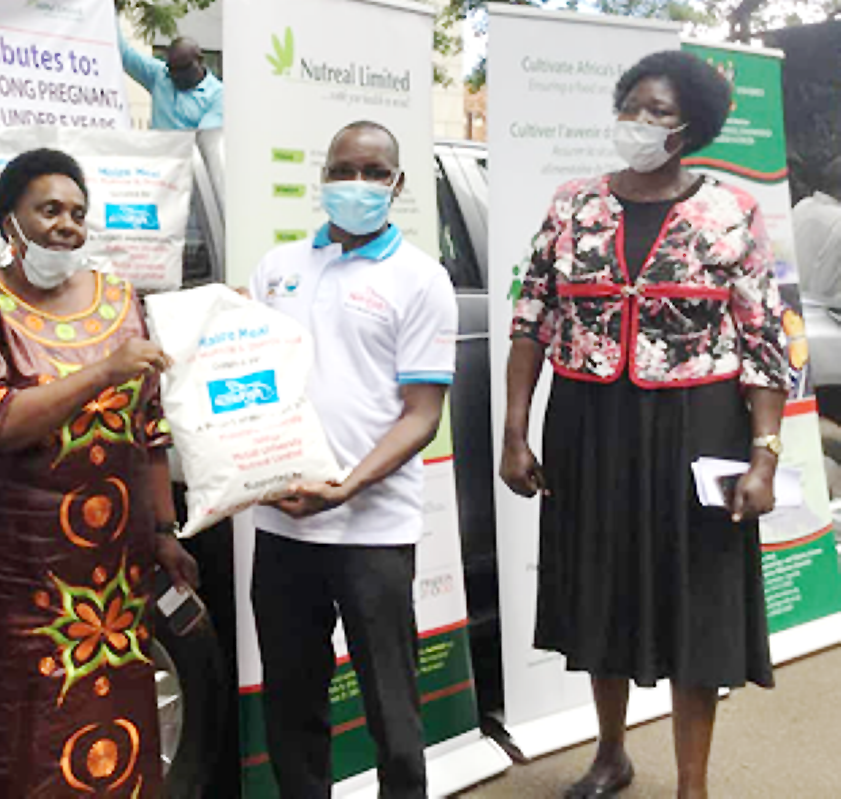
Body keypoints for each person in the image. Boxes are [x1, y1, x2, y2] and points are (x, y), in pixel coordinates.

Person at [501, 51, 789, 799]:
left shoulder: (731, 212)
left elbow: (762, 339)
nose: (641, 120)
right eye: (632, 104)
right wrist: (514, 429)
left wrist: (763, 455)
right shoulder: (573, 205)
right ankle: (610, 753)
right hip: (590, 421)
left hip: (699, 425)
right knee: (603, 587)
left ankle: (692, 782)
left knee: (694, 600)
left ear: (692, 124)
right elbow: (531, 317)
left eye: (660, 111)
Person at [0, 148, 199, 796]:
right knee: (23, 728)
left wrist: (165, 530)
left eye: (78, 213)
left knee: (118, 721)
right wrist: (102, 372)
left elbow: (149, 426)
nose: (66, 225)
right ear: (8, 222)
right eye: (48, 209)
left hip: (113, 574)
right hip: (19, 574)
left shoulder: (120, 299)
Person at [247, 121, 457, 798]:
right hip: (283, 526)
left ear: (396, 184)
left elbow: (422, 415)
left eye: (373, 172)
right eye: (344, 169)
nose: (357, 185)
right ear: (323, 175)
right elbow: (246, 384)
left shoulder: (421, 279)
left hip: (372, 529)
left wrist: (346, 486)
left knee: (392, 712)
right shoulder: (277, 269)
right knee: (293, 704)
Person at [118, 27, 223, 130]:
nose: (176, 76)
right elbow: (125, 55)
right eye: (171, 69)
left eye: (183, 69)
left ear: (200, 60)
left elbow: (203, 137)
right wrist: (110, 12)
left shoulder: (218, 96)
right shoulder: (160, 75)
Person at [792, 155, 841, 307]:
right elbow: (829, 292)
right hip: (824, 318)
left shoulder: (802, 206)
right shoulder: (837, 221)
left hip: (790, 309)